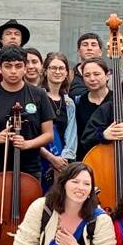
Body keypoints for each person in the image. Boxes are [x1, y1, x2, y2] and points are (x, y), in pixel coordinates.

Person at [0, 46, 56, 185]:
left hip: (30, 168)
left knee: (29, 206)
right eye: (8, 66)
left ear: (24, 68)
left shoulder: (39, 95)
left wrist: (27, 144)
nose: (13, 71)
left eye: (18, 66)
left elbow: (48, 135)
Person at [39, 52, 78, 184]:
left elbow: (71, 135)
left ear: (67, 72)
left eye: (61, 68)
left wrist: (63, 160)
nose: (57, 72)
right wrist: (51, 158)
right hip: (41, 160)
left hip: (62, 164)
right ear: (45, 71)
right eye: (53, 68)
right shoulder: (37, 97)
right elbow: (31, 134)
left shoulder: (69, 103)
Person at [73, 58, 111, 160]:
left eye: (97, 74)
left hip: (113, 155)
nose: (92, 78)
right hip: (87, 157)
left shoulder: (119, 101)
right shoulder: (78, 103)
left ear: (107, 75)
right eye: (87, 75)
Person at [69, 33, 103, 98]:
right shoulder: (69, 76)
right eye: (85, 45)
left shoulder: (109, 77)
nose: (89, 48)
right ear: (78, 51)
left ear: (100, 52)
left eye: (93, 45)